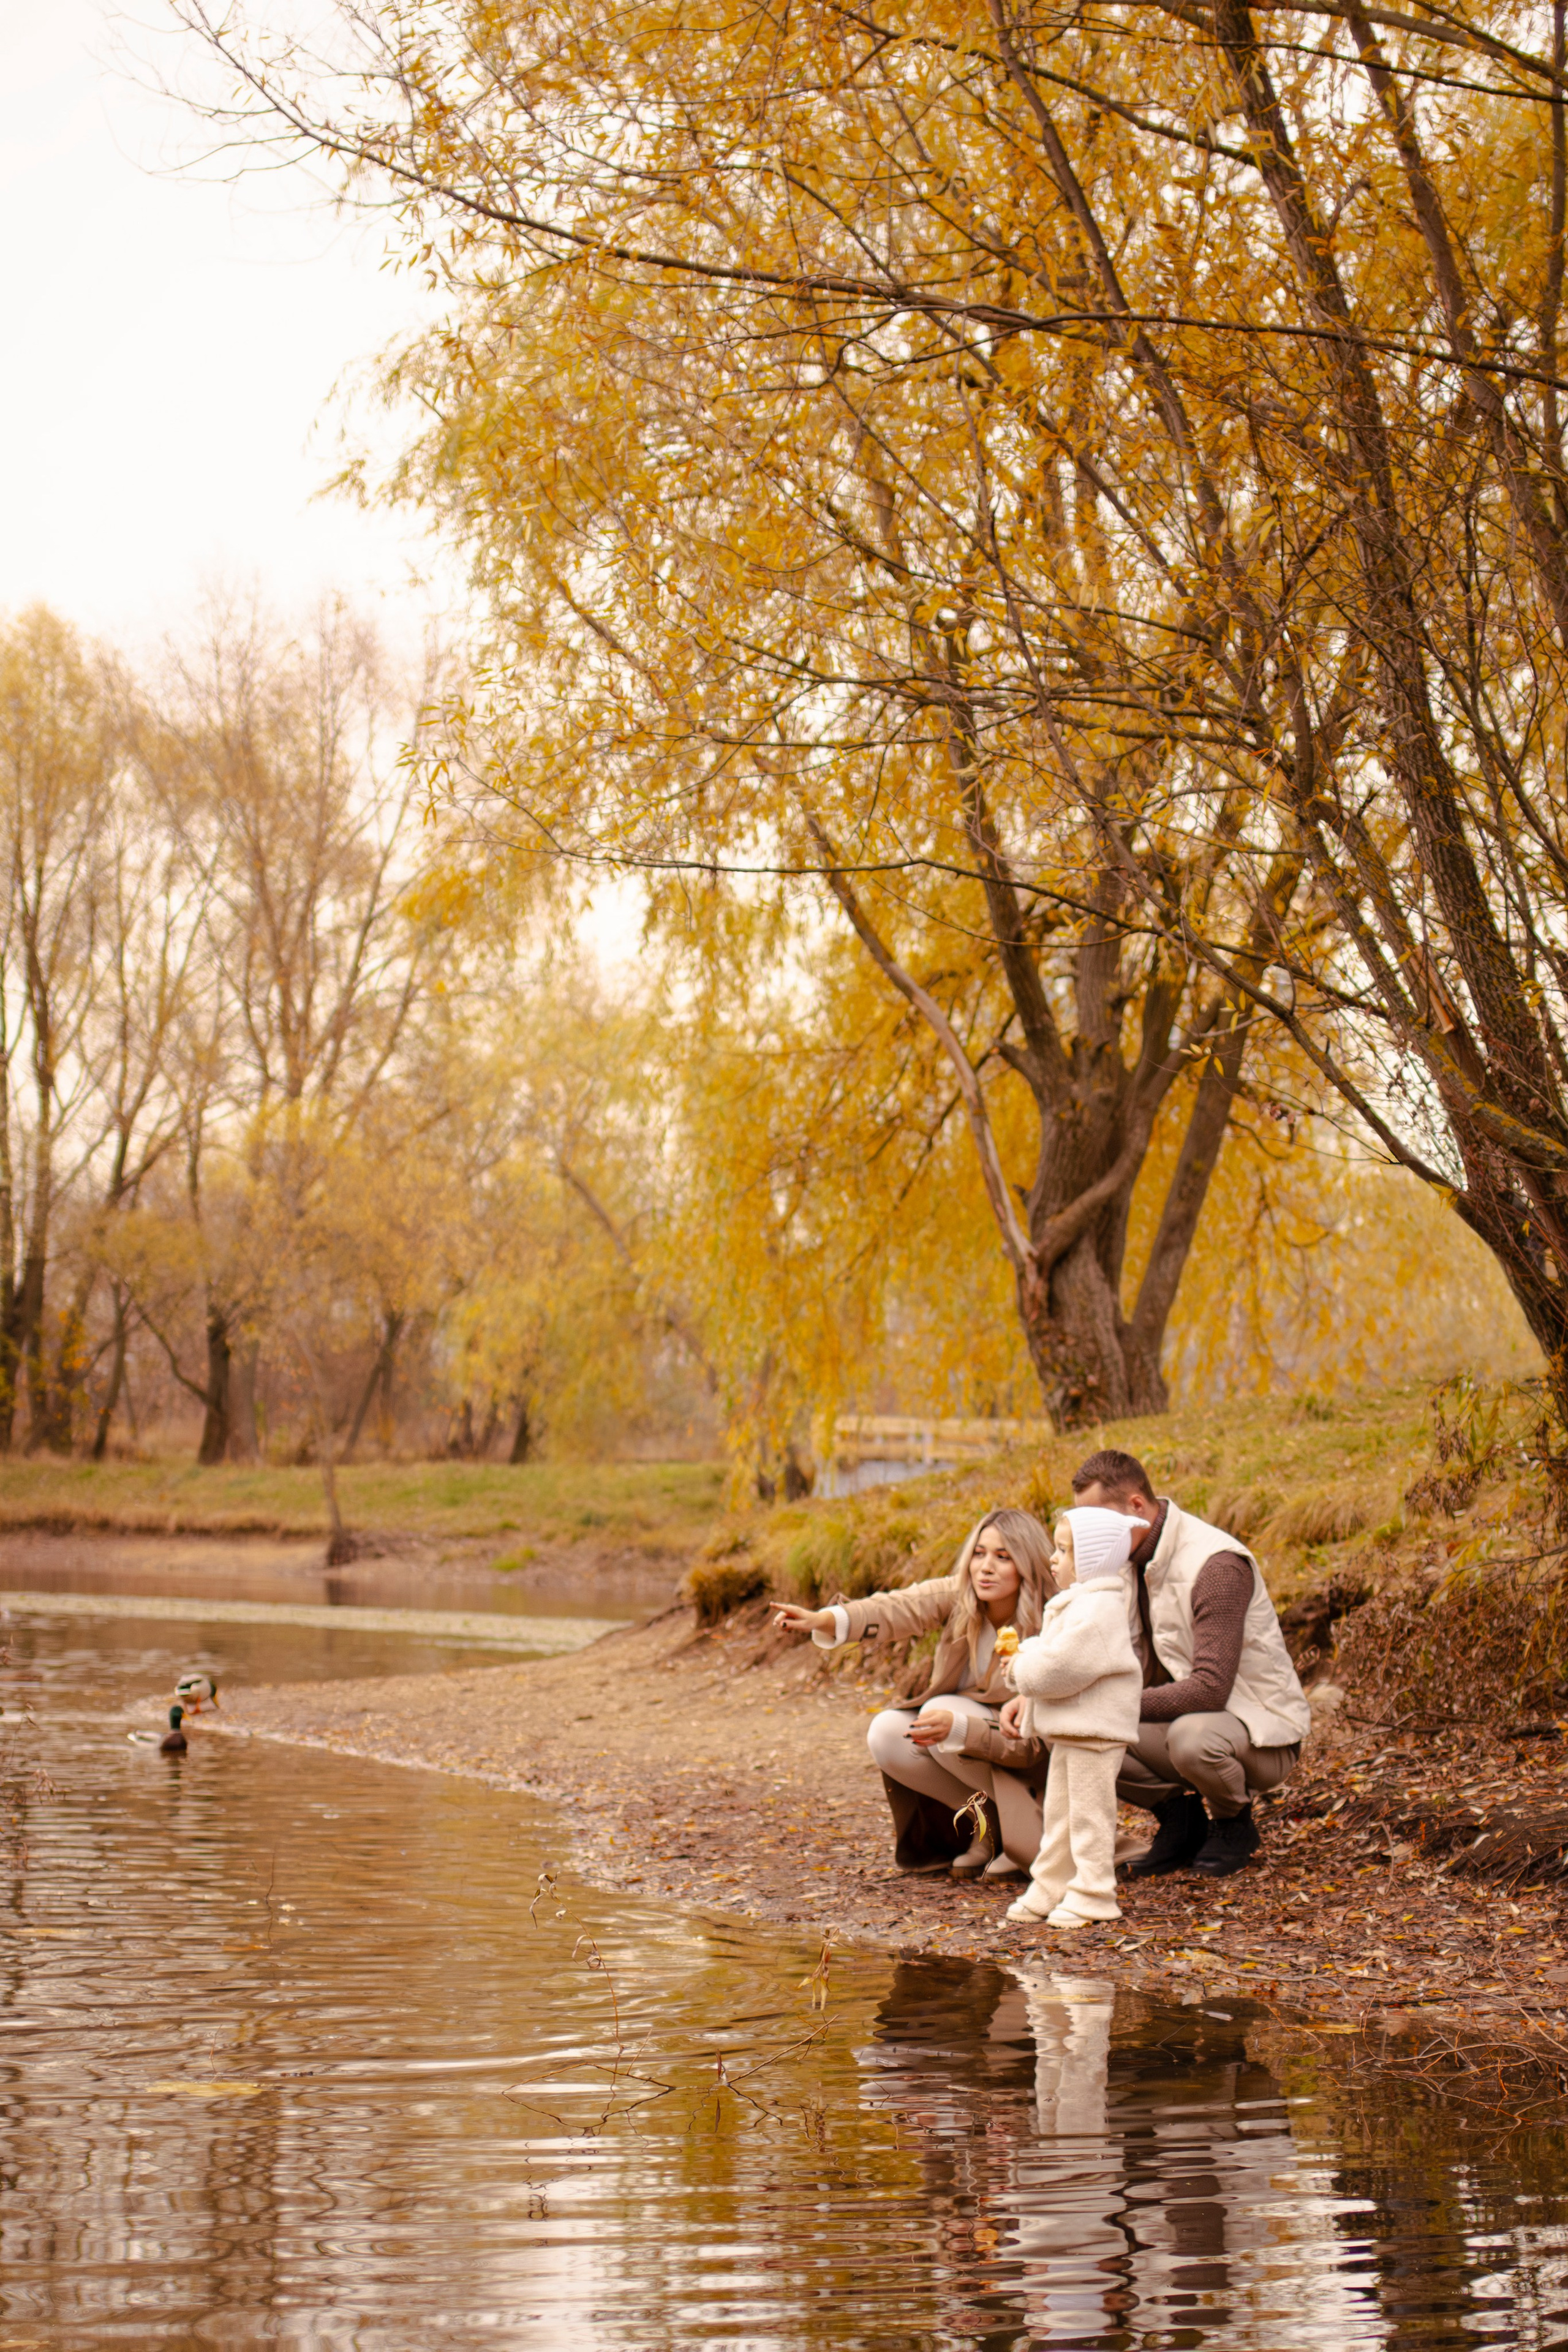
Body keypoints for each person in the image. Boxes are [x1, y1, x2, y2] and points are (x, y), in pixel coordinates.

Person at [1068, 1448, 1311, 1878]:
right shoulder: (1124, 1561)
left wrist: (1116, 1702)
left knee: (1189, 1738)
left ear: (1136, 1507)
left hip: (1259, 1731)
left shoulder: (1215, 1565)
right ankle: (1181, 1821)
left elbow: (1210, 1689)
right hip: (1191, 1722)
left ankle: (1233, 1824)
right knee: (1077, 1727)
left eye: (1096, 1522)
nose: (1089, 1537)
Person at [772, 1509, 1055, 1877]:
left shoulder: (1052, 1617)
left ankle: (1023, 1828)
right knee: (888, 1733)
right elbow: (897, 1607)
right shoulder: (960, 1597)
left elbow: (1034, 1739)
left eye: (1003, 1557)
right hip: (975, 1738)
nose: (985, 1567)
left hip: (1029, 1750)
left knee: (942, 1711)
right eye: (979, 1553)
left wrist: (958, 1724)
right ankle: (986, 1825)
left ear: (1028, 1563)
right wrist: (821, 1619)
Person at [1000, 1508, 1144, 1929]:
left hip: (1095, 1733)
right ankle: (1051, 1883)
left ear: (1095, 1559)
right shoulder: (1081, 1603)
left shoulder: (1099, 1610)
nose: (1053, 1558)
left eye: (1064, 1550)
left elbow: (1062, 1668)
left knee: (1089, 1816)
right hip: (1073, 1732)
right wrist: (1028, 1653)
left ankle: (1094, 1891)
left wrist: (1019, 1669)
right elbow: (1054, 1652)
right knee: (1060, 1815)